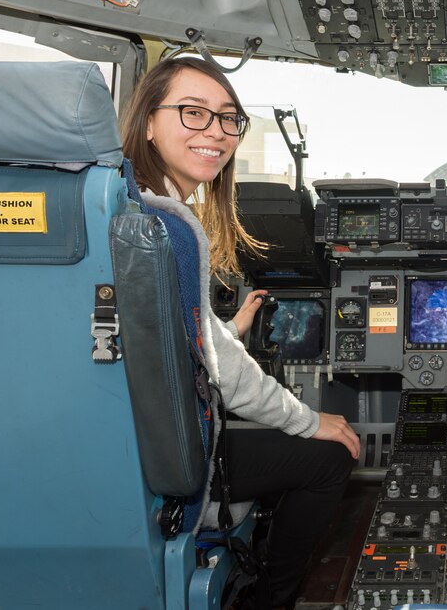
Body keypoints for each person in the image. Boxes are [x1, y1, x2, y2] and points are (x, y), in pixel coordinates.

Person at [119, 56, 361, 609]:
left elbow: (160, 335)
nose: (216, 132)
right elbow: (227, 376)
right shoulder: (168, 227)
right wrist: (308, 419)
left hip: (120, 438)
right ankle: (270, 601)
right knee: (331, 454)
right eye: (193, 113)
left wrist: (224, 328)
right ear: (148, 120)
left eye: (228, 119)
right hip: (165, 454)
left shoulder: (122, 205)